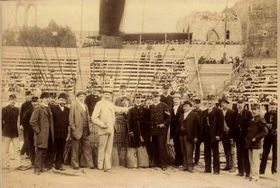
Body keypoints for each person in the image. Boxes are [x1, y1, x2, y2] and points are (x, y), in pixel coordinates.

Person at [92, 89, 128, 171]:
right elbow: (94, 118)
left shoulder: (110, 104)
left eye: (109, 94)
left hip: (111, 129)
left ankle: (107, 166)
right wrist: (102, 125)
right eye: (106, 94)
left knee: (109, 149)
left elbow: (118, 109)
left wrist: (128, 108)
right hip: (103, 129)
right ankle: (100, 166)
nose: (107, 95)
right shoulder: (99, 104)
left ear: (111, 95)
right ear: (103, 95)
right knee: (102, 148)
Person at [30, 92, 54, 175]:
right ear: (42, 99)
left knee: (44, 151)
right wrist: (38, 132)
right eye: (45, 98)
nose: (47, 99)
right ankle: (37, 168)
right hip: (41, 134)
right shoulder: (38, 108)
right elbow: (33, 122)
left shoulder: (48, 108)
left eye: (48, 98)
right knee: (40, 151)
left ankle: (41, 167)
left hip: (48, 134)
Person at [69, 91, 94, 170]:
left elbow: (88, 117)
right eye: (80, 96)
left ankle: (90, 164)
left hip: (85, 129)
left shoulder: (85, 106)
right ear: (77, 97)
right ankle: (75, 164)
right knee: (75, 147)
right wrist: (73, 129)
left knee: (87, 147)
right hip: (77, 129)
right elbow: (71, 119)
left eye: (83, 96)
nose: (82, 98)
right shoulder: (74, 105)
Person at [47, 93, 70, 171]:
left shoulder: (67, 110)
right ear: (58, 100)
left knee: (61, 150)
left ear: (66, 101)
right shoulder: (53, 108)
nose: (62, 101)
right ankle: (49, 165)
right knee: (52, 149)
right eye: (61, 99)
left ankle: (58, 165)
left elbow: (68, 122)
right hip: (55, 134)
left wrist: (68, 134)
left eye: (64, 100)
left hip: (63, 133)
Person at [245, 103, 268, 181]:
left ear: (258, 110)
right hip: (250, 143)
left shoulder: (261, 119)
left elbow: (265, 132)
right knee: (251, 160)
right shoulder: (252, 119)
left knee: (255, 161)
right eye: (253, 109)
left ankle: (256, 176)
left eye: (255, 109)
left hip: (256, 143)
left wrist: (256, 138)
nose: (253, 111)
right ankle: (252, 175)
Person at [149, 92, 171, 171]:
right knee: (154, 146)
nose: (155, 98)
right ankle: (156, 162)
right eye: (154, 97)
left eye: (157, 97)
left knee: (161, 147)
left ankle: (163, 164)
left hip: (161, 130)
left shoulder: (164, 106)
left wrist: (163, 124)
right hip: (153, 130)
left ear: (159, 98)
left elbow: (168, 118)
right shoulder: (151, 106)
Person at [127, 94, 152, 160]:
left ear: (141, 100)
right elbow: (129, 122)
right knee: (134, 144)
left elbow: (148, 120)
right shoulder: (131, 110)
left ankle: (144, 160)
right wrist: (130, 131)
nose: (138, 100)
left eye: (139, 98)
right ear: (134, 100)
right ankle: (135, 161)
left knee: (144, 145)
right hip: (134, 130)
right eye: (137, 98)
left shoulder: (145, 109)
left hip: (144, 130)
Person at [204, 97, 224, 174]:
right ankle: (207, 168)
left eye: (211, 101)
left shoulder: (218, 111)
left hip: (214, 135)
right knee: (207, 152)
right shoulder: (205, 111)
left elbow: (221, 124)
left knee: (215, 153)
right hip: (206, 136)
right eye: (208, 101)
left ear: (214, 101)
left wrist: (219, 135)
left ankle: (216, 169)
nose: (209, 102)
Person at [179, 101, 200, 173]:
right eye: (184, 106)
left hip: (190, 136)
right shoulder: (182, 115)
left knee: (189, 151)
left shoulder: (194, 114)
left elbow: (197, 127)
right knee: (183, 151)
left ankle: (190, 166)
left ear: (190, 107)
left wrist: (196, 136)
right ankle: (185, 165)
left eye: (186, 106)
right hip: (182, 136)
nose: (184, 107)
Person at [234, 98, 252, 177]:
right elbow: (233, 126)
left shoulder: (248, 113)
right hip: (238, 138)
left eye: (241, 103)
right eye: (238, 103)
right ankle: (240, 171)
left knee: (246, 155)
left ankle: (247, 172)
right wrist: (233, 138)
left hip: (245, 138)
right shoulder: (235, 113)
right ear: (236, 104)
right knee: (239, 154)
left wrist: (248, 137)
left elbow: (250, 126)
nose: (240, 105)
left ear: (244, 104)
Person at [2, 94, 20, 168]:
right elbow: (2, 122)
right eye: (12, 99)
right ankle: (6, 164)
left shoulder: (17, 109)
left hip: (15, 132)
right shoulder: (4, 109)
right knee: (6, 149)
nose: (13, 101)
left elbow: (17, 121)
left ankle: (18, 164)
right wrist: (3, 130)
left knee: (17, 149)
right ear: (9, 100)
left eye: (14, 99)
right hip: (6, 131)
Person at [219, 96, 236, 172]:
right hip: (223, 135)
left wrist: (232, 135)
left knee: (232, 151)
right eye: (221, 103)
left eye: (224, 103)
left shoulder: (232, 112)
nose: (222, 104)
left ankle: (233, 166)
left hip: (230, 134)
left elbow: (233, 125)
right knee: (226, 150)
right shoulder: (219, 112)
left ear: (227, 104)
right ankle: (228, 165)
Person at [260, 101, 277, 174]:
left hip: (276, 137)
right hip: (267, 136)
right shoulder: (267, 114)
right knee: (265, 153)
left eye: (274, 105)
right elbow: (263, 124)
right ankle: (262, 170)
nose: (273, 106)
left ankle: (274, 169)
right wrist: (266, 125)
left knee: (275, 154)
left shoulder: (278, 114)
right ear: (269, 106)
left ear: (276, 106)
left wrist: (277, 129)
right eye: (271, 105)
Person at [22, 96, 39, 166]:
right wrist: (27, 130)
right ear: (31, 103)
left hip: (38, 131)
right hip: (30, 131)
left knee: (38, 146)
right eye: (33, 102)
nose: (35, 103)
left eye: (36, 102)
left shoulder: (40, 109)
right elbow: (24, 122)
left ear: (38, 102)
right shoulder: (28, 111)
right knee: (31, 146)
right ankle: (33, 161)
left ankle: (38, 160)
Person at [170, 92, 183, 167]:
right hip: (174, 131)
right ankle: (177, 161)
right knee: (176, 146)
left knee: (181, 147)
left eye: (177, 99)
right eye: (174, 99)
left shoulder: (182, 108)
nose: (175, 100)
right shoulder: (172, 108)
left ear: (180, 100)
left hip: (180, 130)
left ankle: (181, 162)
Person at [20, 91, 33, 157]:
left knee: (30, 138)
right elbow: (21, 115)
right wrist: (21, 124)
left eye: (30, 95)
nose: (29, 96)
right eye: (27, 95)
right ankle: (23, 151)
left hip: (32, 124)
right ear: (25, 96)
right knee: (26, 138)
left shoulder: (33, 103)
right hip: (25, 124)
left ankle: (28, 153)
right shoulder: (23, 105)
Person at [192, 97, 203, 165]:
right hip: (192, 131)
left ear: (200, 104)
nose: (197, 105)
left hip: (198, 132)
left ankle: (196, 160)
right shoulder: (192, 112)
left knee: (198, 147)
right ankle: (190, 159)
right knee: (191, 146)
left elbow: (201, 123)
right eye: (195, 103)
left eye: (198, 103)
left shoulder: (202, 112)